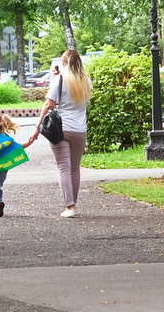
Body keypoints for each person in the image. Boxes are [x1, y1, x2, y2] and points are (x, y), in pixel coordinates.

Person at [28, 50, 92, 218]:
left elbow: (49, 104)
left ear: (64, 63)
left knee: (63, 167)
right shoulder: (87, 82)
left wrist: (37, 127)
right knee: (74, 168)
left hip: (60, 129)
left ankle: (69, 207)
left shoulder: (59, 81)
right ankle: (73, 204)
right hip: (80, 130)